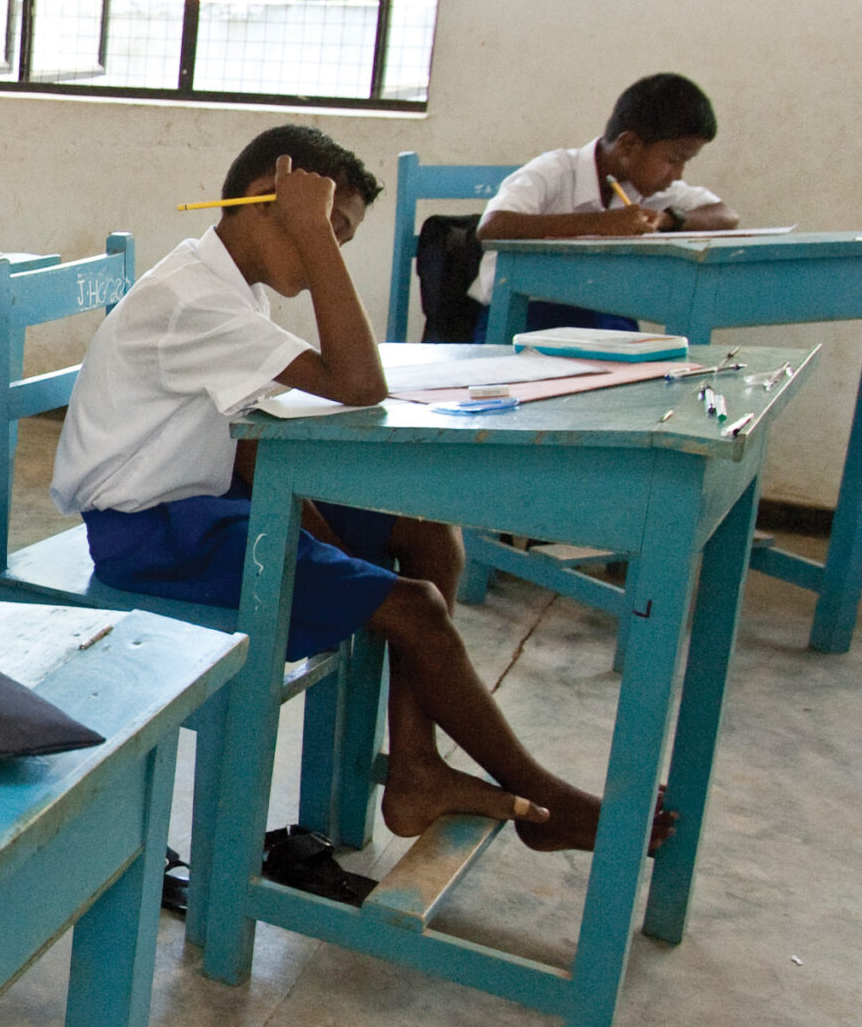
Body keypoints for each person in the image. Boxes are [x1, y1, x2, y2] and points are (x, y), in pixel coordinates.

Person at [53, 125, 664, 856]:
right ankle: (547, 800)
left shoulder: (231, 292)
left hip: (209, 502)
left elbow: (248, 450)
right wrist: (311, 231)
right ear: (265, 201)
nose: (327, 258)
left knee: (425, 538)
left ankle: (416, 765)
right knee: (414, 609)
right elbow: (358, 384)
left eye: (339, 239)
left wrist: (329, 542)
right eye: (326, 230)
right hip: (152, 533)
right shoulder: (196, 300)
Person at [470, 73, 737, 330]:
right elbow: (492, 226)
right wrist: (599, 224)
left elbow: (726, 217)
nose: (677, 175)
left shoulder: (651, 188)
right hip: (524, 316)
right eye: (673, 160)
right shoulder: (554, 171)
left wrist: (667, 220)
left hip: (607, 317)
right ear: (628, 145)